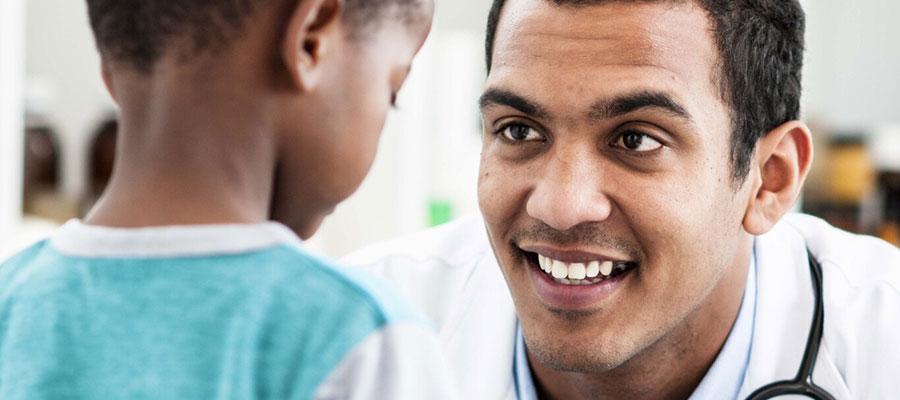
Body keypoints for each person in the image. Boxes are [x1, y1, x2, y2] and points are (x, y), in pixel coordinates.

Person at [343, 0, 900, 399]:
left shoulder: (883, 344)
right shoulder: (349, 343)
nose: (559, 207)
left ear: (770, 179)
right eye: (518, 131)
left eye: (636, 140)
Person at [0, 0, 454, 399]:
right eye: (390, 93)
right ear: (312, 38)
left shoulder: (10, 306)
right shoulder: (363, 342)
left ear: (110, 68)